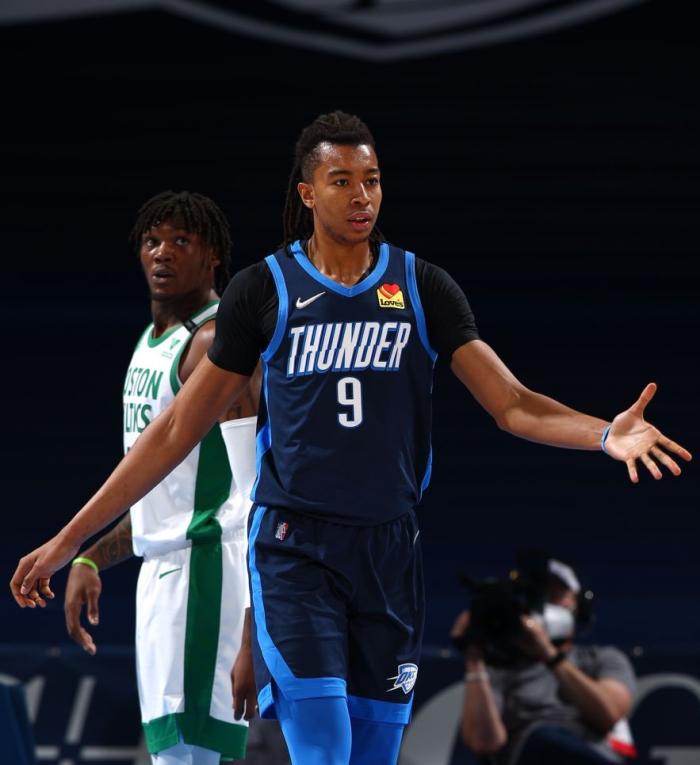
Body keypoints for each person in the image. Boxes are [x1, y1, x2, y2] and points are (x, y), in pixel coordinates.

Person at [10, 112, 691, 765]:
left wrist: (605, 432)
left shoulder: (422, 286)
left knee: (369, 755)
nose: (362, 195)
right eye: (342, 181)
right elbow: (172, 431)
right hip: (294, 550)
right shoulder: (264, 290)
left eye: (372, 179)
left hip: (389, 550)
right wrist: (70, 540)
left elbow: (511, 404)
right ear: (308, 193)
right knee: (324, 750)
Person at [61, 191, 260, 765]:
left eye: (181, 240)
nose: (162, 252)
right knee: (176, 757)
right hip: (163, 571)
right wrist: (91, 558)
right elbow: (159, 495)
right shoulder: (152, 344)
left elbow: (254, 491)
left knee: (195, 758)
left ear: (213, 253)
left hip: (207, 574)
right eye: (152, 240)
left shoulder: (215, 342)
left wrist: (254, 621)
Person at [453, 559, 637, 765]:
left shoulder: (602, 659)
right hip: (528, 755)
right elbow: (483, 742)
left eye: (555, 596)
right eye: (538, 597)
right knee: (541, 737)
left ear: (579, 605)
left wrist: (548, 653)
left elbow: (609, 714)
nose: (544, 605)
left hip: (592, 755)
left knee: (551, 737)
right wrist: (474, 656)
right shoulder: (500, 667)